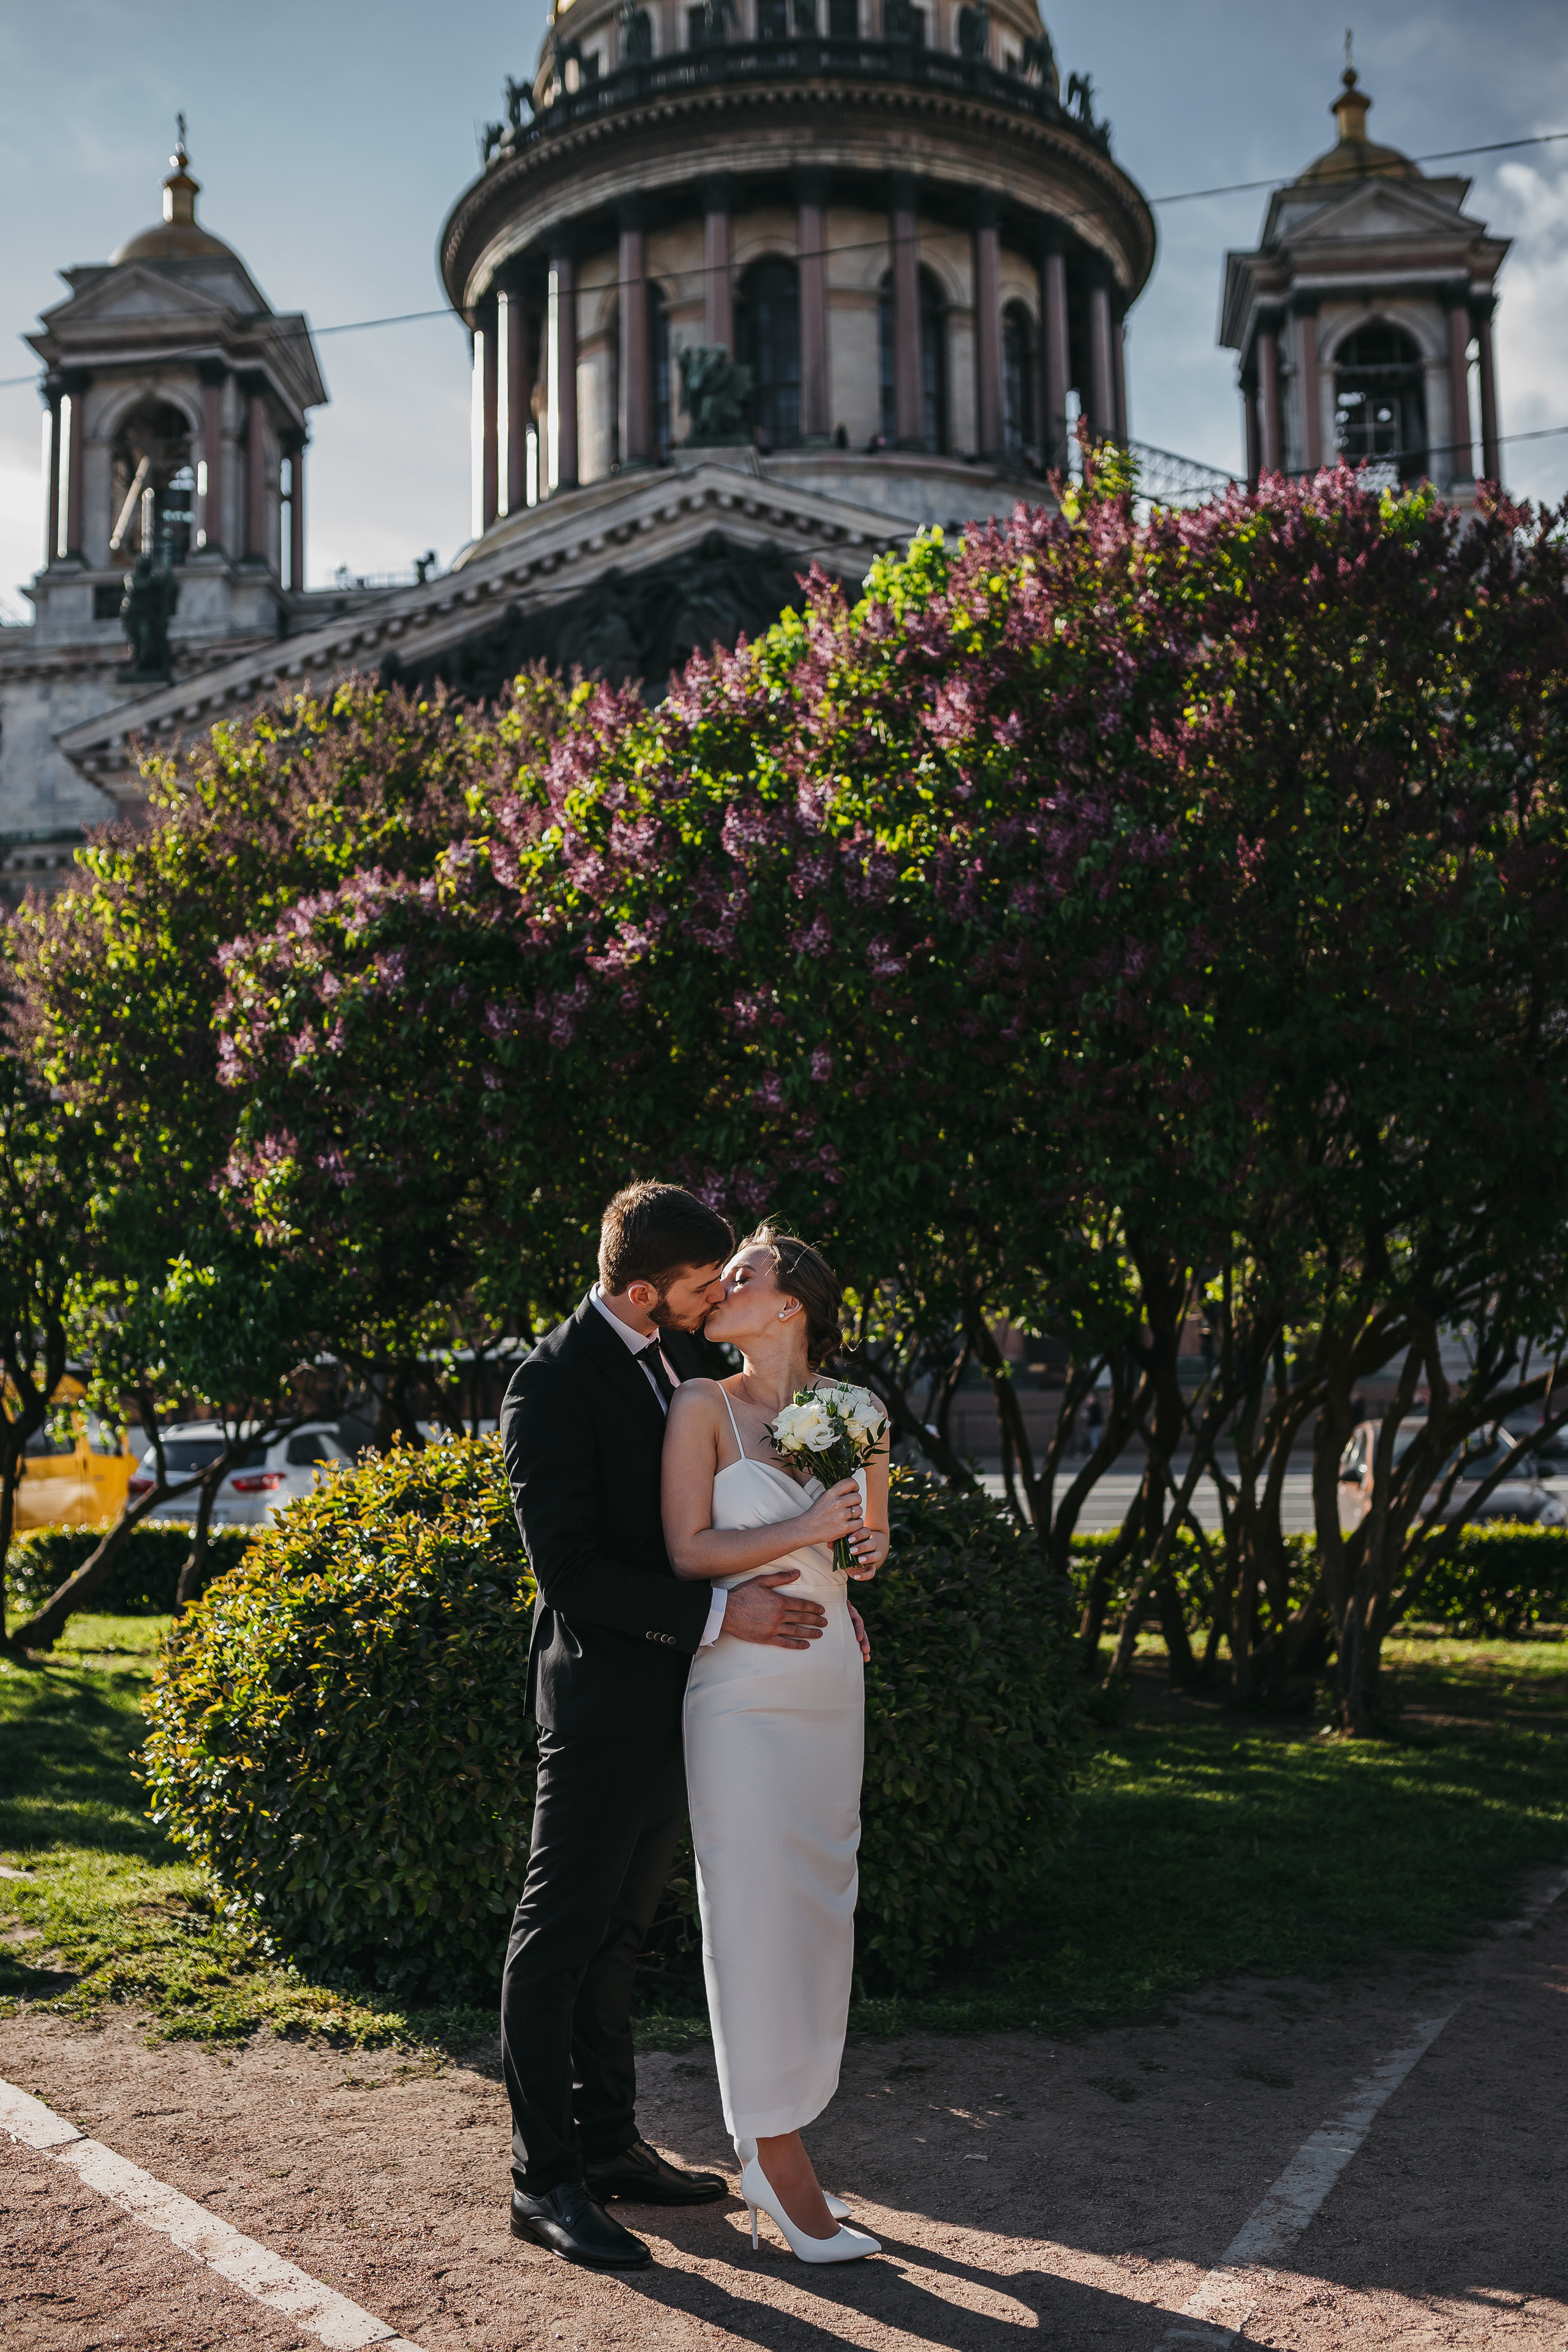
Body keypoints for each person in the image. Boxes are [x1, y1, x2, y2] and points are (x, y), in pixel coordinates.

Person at [499, 1182, 860, 2274]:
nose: (716, 1301)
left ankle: (611, 2145)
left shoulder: (674, 1365)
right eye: (706, 1284)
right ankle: (543, 2179)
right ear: (651, 1286)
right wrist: (719, 1610)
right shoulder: (549, 1382)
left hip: (691, 1701)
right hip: (605, 1697)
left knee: (621, 1933)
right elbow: (567, 1572)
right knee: (558, 1932)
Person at [662, 1227, 889, 2264]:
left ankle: (792, 2121)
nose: (719, 1288)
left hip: (828, 1686)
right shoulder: (700, 1405)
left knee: (816, 1909)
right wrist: (810, 1530)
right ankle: (774, 2154)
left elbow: (863, 1547)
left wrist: (863, 1546)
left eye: (742, 1275)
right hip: (738, 1696)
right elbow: (690, 1550)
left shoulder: (854, 1414)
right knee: (750, 1911)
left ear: (790, 1304)